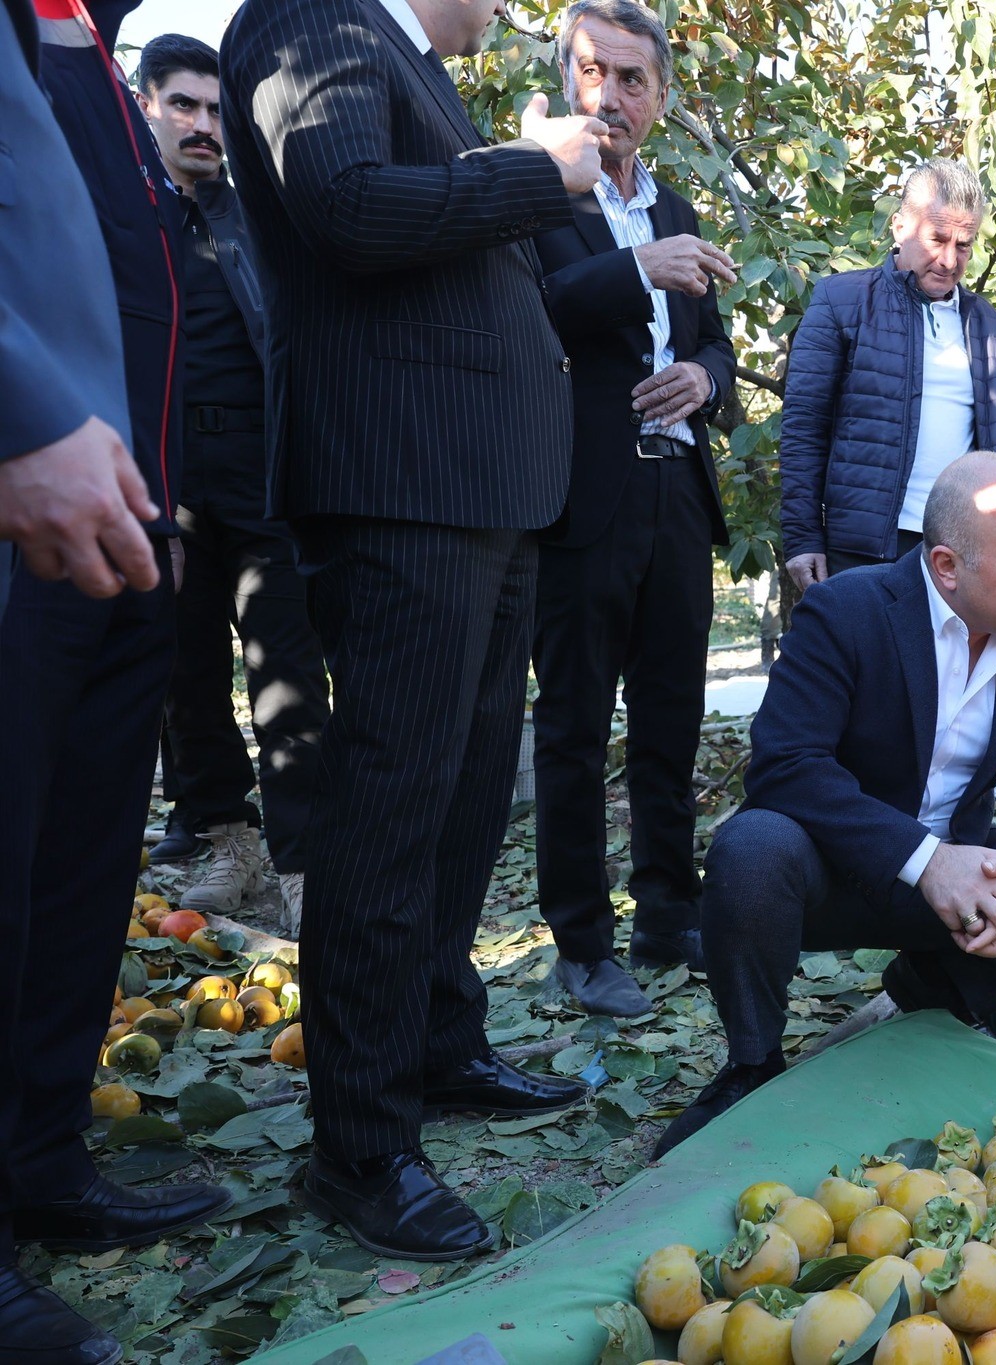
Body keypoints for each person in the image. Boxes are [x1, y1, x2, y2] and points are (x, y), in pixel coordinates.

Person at [220, 0, 606, 1259]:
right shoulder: (313, 17)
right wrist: (528, 172)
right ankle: (361, 1147)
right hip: (402, 486)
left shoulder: (408, 65)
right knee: (391, 812)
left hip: (479, 495)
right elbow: (352, 209)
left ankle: (440, 1045)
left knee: (460, 800)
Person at [655, 452, 996, 1153]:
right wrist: (926, 861)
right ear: (946, 565)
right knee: (751, 849)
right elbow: (787, 766)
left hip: (959, 879)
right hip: (833, 873)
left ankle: (928, 991)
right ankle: (751, 1065)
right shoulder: (846, 611)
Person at [1, 0, 231, 1359]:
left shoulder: (76, 37)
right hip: (26, 511)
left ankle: (45, 1162)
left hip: (132, 530)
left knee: (81, 875)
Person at [530, 0, 740, 1015]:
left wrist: (704, 378)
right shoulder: (533, 197)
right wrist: (630, 271)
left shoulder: (678, 212)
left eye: (630, 79)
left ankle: (669, 911)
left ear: (660, 96)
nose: (607, 96)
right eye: (590, 72)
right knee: (571, 723)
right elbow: (532, 317)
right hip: (582, 496)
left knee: (671, 715)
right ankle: (580, 940)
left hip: (676, 495)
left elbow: (718, 350)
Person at [135, 34, 329, 928]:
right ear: (148, 106)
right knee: (188, 674)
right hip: (164, 480)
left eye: (216, 110)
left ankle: (301, 864)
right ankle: (228, 842)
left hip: (259, 473)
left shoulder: (258, 217)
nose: (205, 125)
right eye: (185, 105)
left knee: (287, 674)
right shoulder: (125, 218)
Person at [779, 158, 996, 588]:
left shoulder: (985, 323)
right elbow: (803, 428)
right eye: (937, 238)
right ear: (900, 227)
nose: (948, 259)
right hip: (861, 549)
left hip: (959, 549)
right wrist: (802, 536)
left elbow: (991, 449)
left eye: (964, 244)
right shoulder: (841, 300)